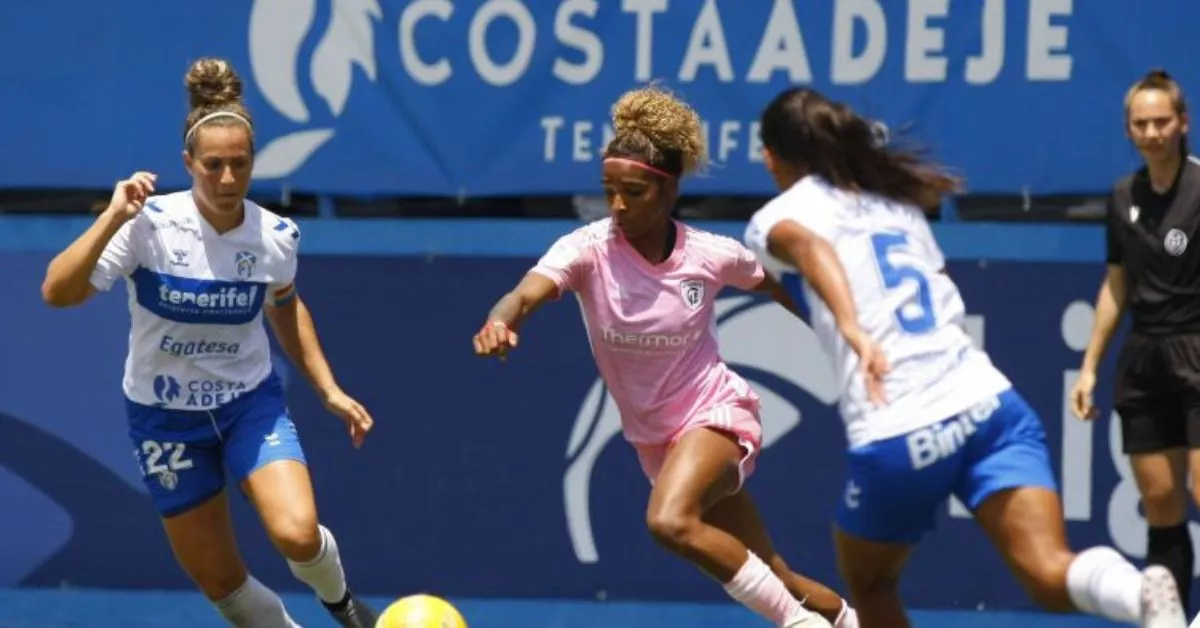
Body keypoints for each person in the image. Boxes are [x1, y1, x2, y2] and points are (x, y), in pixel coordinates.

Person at [743, 85, 1187, 628]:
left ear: (771, 155)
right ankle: (1140, 593)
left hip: (900, 427)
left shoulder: (778, 215)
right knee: (1049, 573)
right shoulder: (895, 203)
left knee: (871, 584)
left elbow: (813, 251)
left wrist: (853, 328)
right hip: (990, 407)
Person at [472, 85, 858, 628]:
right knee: (779, 577)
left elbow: (783, 287)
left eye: (633, 192)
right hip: (656, 444)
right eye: (609, 190)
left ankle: (800, 627)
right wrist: (500, 321)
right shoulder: (586, 249)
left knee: (669, 521)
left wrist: (845, 335)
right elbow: (524, 293)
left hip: (716, 417)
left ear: (668, 191)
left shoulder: (711, 255)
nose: (618, 206)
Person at [39, 58, 378, 628]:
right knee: (221, 581)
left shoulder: (274, 237)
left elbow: (286, 306)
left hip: (249, 405)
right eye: (213, 166)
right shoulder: (145, 225)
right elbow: (57, 291)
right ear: (188, 164)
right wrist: (111, 217)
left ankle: (346, 609)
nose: (226, 180)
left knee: (296, 533)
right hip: (164, 420)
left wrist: (329, 389)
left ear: (253, 164)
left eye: (239, 165)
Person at [1072, 68, 1200, 615]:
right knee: (1162, 503)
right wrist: (1089, 369)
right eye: (1141, 124)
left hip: (1197, 349)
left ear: (1183, 122)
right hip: (1144, 359)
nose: (1152, 132)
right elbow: (1116, 285)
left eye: (1162, 122)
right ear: (1128, 130)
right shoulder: (1122, 195)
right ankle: (1169, 618)